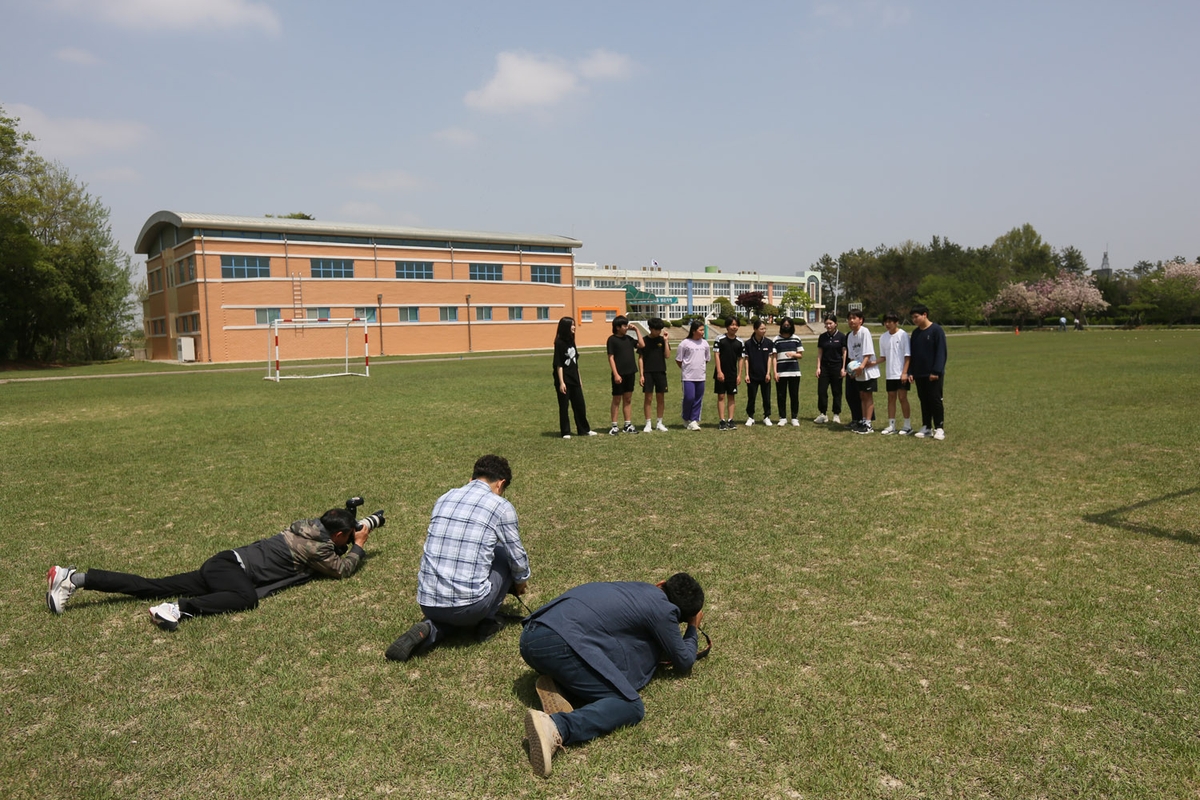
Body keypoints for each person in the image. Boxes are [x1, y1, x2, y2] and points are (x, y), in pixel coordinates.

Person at [46, 505, 377, 630]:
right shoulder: (316, 546)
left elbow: (331, 540)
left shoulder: (310, 528)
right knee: (246, 598)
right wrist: (359, 545)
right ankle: (177, 610)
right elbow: (341, 570)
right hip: (231, 571)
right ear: (337, 535)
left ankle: (75, 578)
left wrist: (348, 530)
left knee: (152, 583)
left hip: (224, 562)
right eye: (345, 535)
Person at [519, 572, 705, 777]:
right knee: (631, 706)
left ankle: (562, 686)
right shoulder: (665, 610)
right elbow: (684, 661)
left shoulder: (635, 588)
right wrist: (692, 628)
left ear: (660, 583)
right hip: (562, 643)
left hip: (531, 636)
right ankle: (555, 727)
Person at [386, 455, 530, 661]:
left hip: (428, 602)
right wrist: (521, 581)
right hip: (470, 607)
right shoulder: (501, 506)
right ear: (501, 484)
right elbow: (517, 556)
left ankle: (429, 629)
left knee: (450, 616)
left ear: (472, 479)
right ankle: (487, 620)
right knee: (502, 552)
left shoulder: (444, 497)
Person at [553, 317, 597, 439]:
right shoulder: (559, 343)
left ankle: (584, 429)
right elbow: (559, 364)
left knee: (580, 405)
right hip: (564, 380)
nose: (574, 327)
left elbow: (575, 363)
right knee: (564, 406)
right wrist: (561, 382)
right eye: (572, 325)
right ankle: (566, 431)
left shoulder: (571, 341)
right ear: (565, 327)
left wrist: (579, 379)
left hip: (574, 378)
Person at [908, 304, 947, 440]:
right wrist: (911, 371)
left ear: (925, 315)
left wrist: (936, 371)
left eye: (916, 317)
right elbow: (913, 354)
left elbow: (941, 352)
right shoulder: (916, 333)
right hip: (919, 373)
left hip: (933, 374)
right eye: (913, 318)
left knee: (935, 400)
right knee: (923, 400)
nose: (915, 320)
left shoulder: (936, 330)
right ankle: (926, 427)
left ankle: (939, 427)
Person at [607, 315, 645, 435]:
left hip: (630, 372)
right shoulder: (612, 340)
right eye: (624, 325)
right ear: (617, 327)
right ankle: (614, 426)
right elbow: (611, 358)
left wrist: (637, 330)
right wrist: (616, 374)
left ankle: (627, 424)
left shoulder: (628, 339)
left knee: (628, 399)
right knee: (617, 399)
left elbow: (642, 345)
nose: (626, 327)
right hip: (619, 374)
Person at [876, 312, 913, 435]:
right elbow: (883, 357)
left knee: (902, 398)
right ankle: (891, 425)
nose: (887, 324)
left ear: (896, 322)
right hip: (890, 374)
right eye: (885, 322)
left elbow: (908, 356)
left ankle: (907, 425)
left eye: (890, 322)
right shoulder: (883, 337)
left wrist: (904, 373)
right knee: (891, 398)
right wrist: (871, 363)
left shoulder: (903, 335)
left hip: (901, 373)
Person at [846, 310, 880, 434]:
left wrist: (862, 367)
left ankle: (868, 424)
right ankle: (863, 421)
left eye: (854, 318)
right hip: (858, 370)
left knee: (868, 395)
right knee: (862, 396)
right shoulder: (850, 335)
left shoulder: (864, 332)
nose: (851, 321)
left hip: (868, 370)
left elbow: (868, 352)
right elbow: (852, 356)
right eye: (849, 318)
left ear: (861, 320)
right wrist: (851, 369)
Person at [674, 320, 710, 430]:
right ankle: (686, 418)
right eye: (700, 330)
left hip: (700, 376)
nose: (703, 332)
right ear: (694, 331)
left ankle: (694, 420)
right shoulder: (685, 343)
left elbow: (707, 359)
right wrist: (686, 369)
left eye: (703, 330)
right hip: (688, 376)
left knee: (698, 398)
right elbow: (679, 360)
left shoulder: (705, 343)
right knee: (689, 397)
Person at [813, 314, 847, 425]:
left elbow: (844, 353)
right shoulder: (822, 337)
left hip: (837, 367)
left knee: (836, 391)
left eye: (830, 323)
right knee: (822, 391)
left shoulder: (841, 337)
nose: (828, 325)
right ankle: (823, 414)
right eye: (826, 323)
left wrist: (843, 368)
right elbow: (819, 353)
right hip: (824, 367)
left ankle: (836, 414)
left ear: (835, 324)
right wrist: (818, 367)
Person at [712, 318, 745, 431]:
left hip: (733, 373)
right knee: (721, 396)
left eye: (736, 325)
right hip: (721, 373)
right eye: (731, 324)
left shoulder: (740, 342)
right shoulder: (720, 339)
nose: (734, 327)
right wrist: (719, 371)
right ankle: (722, 420)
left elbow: (741, 359)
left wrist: (739, 375)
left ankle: (730, 420)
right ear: (727, 326)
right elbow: (716, 355)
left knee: (731, 396)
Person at [638, 318, 671, 433]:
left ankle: (659, 423)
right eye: (656, 329)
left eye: (660, 329)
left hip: (661, 372)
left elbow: (667, 355)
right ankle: (648, 423)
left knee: (660, 398)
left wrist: (666, 341)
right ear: (650, 328)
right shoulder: (644, 341)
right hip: (648, 373)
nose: (659, 332)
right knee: (648, 398)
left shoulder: (662, 340)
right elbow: (640, 359)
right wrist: (641, 375)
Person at [743, 318, 776, 426]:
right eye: (761, 328)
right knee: (751, 397)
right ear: (755, 329)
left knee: (766, 397)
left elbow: (769, 359)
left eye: (765, 328)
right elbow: (746, 359)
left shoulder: (768, 343)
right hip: (752, 375)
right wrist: (747, 374)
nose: (764, 330)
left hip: (764, 375)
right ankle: (750, 416)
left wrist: (768, 373)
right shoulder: (748, 344)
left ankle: (767, 416)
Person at [773, 317, 804, 426]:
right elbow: (774, 357)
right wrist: (775, 372)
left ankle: (794, 417)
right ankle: (782, 417)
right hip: (781, 372)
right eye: (784, 325)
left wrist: (793, 354)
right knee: (781, 395)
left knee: (794, 395)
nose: (786, 326)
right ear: (781, 326)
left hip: (794, 372)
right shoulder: (776, 339)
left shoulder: (796, 339)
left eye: (788, 325)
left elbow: (800, 355)